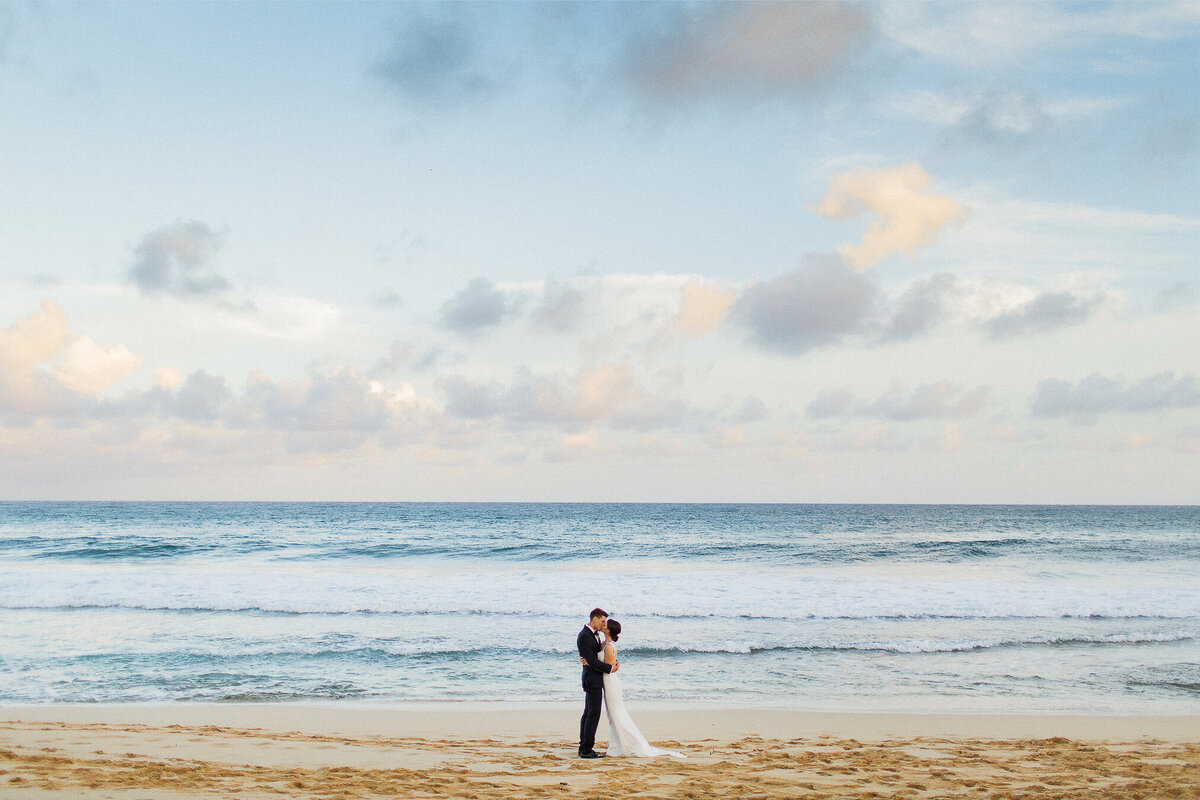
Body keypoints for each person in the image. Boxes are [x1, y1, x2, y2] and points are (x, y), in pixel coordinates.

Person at [599, 619, 685, 758]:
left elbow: (608, 668)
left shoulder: (609, 646)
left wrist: (589, 662)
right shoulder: (604, 643)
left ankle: (626, 745)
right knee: (612, 716)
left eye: (605, 624)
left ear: (609, 630)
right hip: (607, 683)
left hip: (610, 683)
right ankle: (617, 745)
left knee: (617, 715)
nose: (603, 625)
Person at [577, 607, 616, 758]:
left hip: (592, 677)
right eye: (602, 621)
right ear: (594, 619)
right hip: (592, 679)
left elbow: (593, 657)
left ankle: (584, 746)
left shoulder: (592, 635)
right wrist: (610, 668)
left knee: (589, 713)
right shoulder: (585, 636)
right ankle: (586, 749)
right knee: (592, 714)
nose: (603, 624)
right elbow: (592, 661)